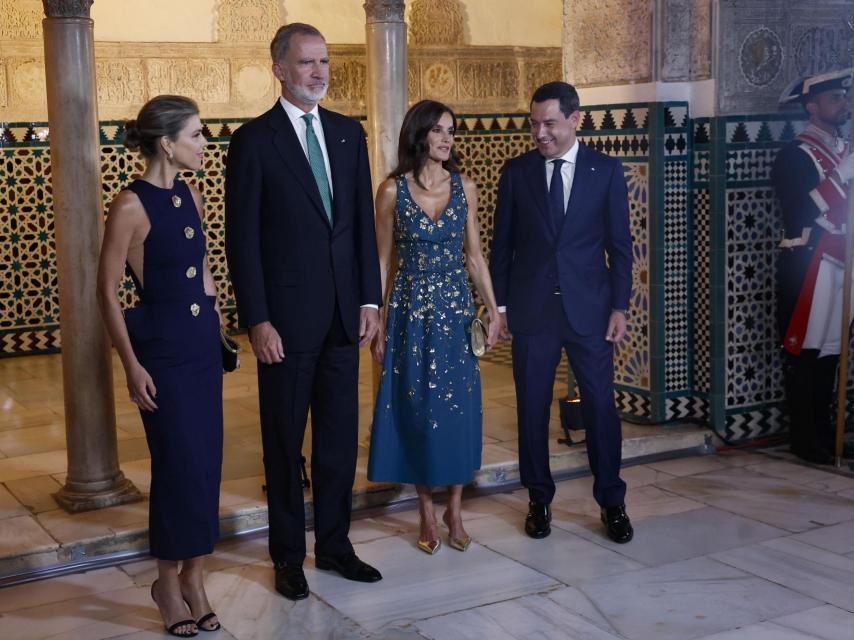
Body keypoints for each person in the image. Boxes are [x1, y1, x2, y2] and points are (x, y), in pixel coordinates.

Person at [224, 23, 383, 601]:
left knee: (339, 443)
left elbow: (361, 227)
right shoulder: (254, 141)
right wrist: (258, 319)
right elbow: (242, 241)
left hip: (345, 317)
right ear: (280, 69)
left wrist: (371, 298)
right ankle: (288, 555)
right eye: (307, 62)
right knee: (284, 441)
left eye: (324, 62)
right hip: (284, 325)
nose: (319, 72)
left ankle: (336, 546)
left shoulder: (347, 134)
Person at [97, 95, 223, 638]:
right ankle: (166, 584)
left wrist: (217, 318)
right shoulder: (130, 204)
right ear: (168, 142)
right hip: (162, 350)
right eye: (196, 135)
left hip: (200, 346)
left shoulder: (193, 195)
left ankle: (196, 579)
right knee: (176, 467)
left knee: (206, 466)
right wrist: (130, 365)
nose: (204, 143)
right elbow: (105, 291)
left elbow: (202, 268)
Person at [489, 81, 634, 544]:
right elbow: (502, 246)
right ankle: (538, 499)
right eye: (534, 123)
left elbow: (620, 247)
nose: (539, 133)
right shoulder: (517, 172)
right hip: (531, 313)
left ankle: (612, 502)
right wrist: (502, 307)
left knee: (600, 408)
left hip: (590, 311)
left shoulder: (606, 171)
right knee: (531, 409)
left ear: (574, 119)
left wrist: (619, 306)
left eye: (548, 123)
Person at [367, 100, 501, 555]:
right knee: (419, 409)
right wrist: (378, 321)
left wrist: (494, 309)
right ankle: (425, 509)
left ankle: (455, 510)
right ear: (419, 134)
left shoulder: (466, 186)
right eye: (439, 131)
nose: (447, 139)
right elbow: (383, 262)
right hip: (409, 313)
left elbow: (475, 255)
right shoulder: (391, 191)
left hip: (456, 312)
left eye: (451, 131)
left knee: (458, 409)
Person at [773, 68, 854, 465]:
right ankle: (806, 437)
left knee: (833, 354)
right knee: (808, 354)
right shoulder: (795, 155)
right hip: (809, 263)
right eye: (835, 99)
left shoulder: (843, 150)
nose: (844, 104)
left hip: (843, 259)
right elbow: (801, 211)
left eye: (844, 97)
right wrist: (841, 175)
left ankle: (828, 433)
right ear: (812, 107)